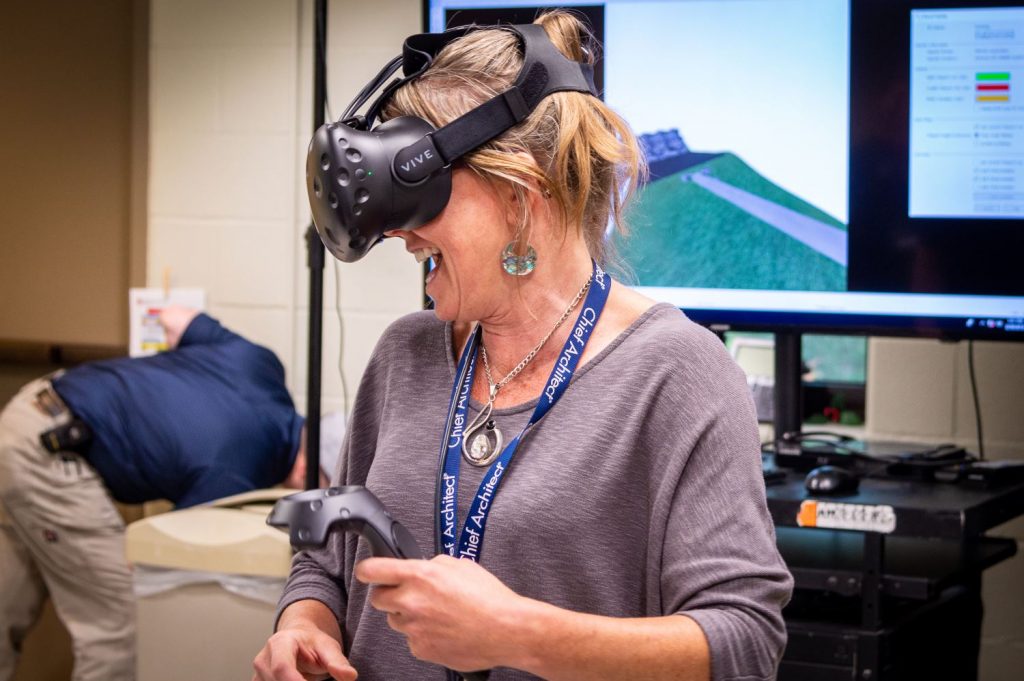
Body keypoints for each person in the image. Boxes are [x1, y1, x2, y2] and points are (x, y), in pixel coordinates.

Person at [254, 12, 792, 681]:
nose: (400, 234)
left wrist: (517, 633)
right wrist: (304, 623)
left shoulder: (678, 371)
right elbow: (327, 563)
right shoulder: (405, 353)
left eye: (420, 202)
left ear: (519, 193)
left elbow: (744, 643)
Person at [0, 306, 341, 681]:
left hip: (35, 404)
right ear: (309, 471)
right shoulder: (235, 473)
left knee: (8, 601)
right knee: (122, 624)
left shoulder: (262, 364)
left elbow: (175, 318)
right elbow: (159, 551)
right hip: (48, 455)